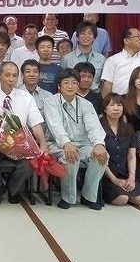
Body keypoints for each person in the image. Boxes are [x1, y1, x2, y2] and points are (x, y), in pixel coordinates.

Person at [0, 61, 48, 205]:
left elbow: (36, 124)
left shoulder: (26, 98)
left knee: (31, 163)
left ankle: (12, 188)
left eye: (14, 76)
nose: (11, 79)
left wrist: (43, 145)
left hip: (20, 146)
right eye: (7, 75)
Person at [43, 69, 108, 210]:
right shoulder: (50, 102)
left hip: (83, 145)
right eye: (66, 83)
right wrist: (66, 143)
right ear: (59, 86)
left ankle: (88, 196)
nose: (70, 86)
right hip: (56, 144)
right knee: (71, 156)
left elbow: (94, 127)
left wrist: (98, 144)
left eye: (74, 83)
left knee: (102, 155)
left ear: (78, 86)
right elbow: (55, 126)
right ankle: (68, 197)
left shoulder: (86, 104)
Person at [100, 93, 140, 206]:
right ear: (105, 109)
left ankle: (128, 187)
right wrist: (114, 179)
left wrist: (131, 177)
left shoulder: (128, 128)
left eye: (119, 105)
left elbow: (131, 155)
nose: (116, 108)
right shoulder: (98, 127)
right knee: (122, 199)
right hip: (106, 175)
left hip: (125, 174)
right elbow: (100, 158)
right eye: (112, 105)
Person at [101, 27, 140, 97]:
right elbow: (108, 84)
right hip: (119, 103)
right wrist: (106, 105)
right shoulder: (112, 60)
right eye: (137, 36)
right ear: (126, 41)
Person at [60, 21, 106, 93]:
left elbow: (103, 83)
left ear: (94, 37)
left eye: (90, 33)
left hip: (95, 97)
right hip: (73, 96)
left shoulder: (102, 59)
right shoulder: (66, 58)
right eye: (82, 33)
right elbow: (62, 81)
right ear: (77, 37)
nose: (86, 36)